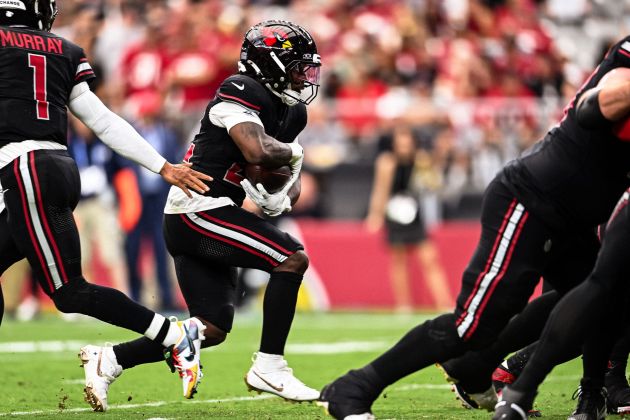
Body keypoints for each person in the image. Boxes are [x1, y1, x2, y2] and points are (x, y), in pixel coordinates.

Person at [318, 37, 630, 420]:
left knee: (609, 295)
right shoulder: (625, 62)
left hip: (575, 214)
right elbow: (594, 108)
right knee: (472, 325)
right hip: (533, 199)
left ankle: (580, 393)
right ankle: (356, 387)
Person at [81, 19, 322, 405]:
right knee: (290, 258)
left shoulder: (293, 113)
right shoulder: (240, 88)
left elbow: (271, 171)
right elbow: (259, 151)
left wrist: (281, 191)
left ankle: (110, 359)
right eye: (297, 68)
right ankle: (270, 366)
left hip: (212, 211)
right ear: (271, 64)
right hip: (196, 210)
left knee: (210, 328)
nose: (303, 77)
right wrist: (294, 156)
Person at [0, 0, 212, 411]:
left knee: (68, 292)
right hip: (58, 167)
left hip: (27, 169)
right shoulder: (63, 49)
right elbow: (103, 120)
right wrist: (162, 165)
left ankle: (174, 336)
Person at [365, 126, 451, 312]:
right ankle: (403, 305)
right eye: (400, 143)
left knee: (429, 257)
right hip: (394, 214)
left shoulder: (420, 160)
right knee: (398, 260)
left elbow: (434, 184)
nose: (404, 146)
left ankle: (444, 304)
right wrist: (375, 215)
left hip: (414, 214)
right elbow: (381, 190)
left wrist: (428, 166)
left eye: (407, 142)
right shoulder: (387, 162)